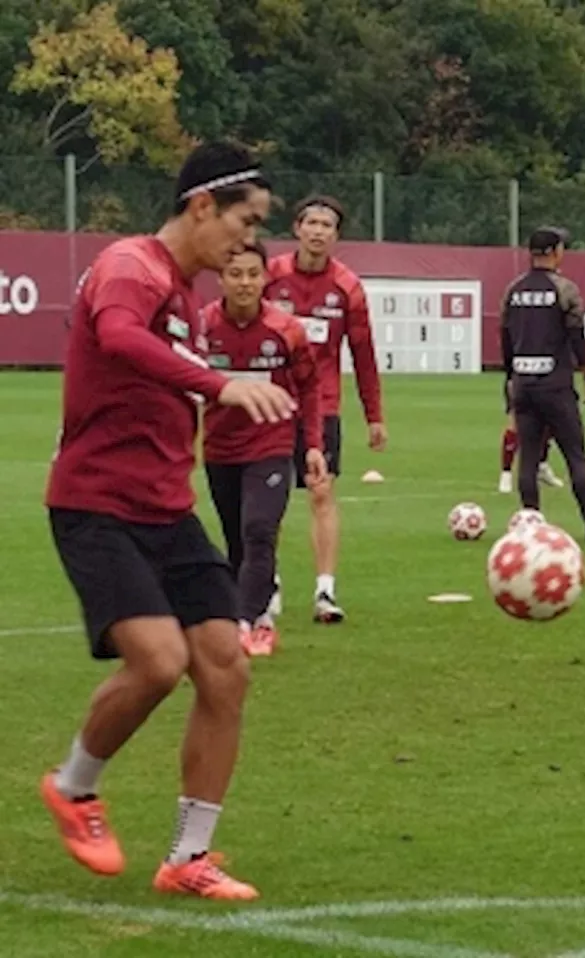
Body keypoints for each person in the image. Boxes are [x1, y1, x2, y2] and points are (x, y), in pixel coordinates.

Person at [42, 141, 293, 900]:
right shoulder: (132, 267)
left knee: (226, 664)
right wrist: (222, 385)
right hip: (96, 507)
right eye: (244, 222)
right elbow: (119, 339)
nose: (249, 242)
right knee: (157, 661)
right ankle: (73, 787)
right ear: (201, 206)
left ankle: (189, 858)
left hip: (166, 511)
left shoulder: (186, 295)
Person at [264, 195, 386, 624]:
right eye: (311, 222)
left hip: (322, 408)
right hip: (270, 404)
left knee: (321, 493)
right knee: (268, 499)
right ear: (296, 228)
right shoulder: (269, 275)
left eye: (327, 225)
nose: (318, 231)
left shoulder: (347, 287)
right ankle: (267, 584)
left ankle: (325, 592)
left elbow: (364, 353)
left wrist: (374, 415)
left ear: (336, 235)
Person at [202, 242, 327, 657]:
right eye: (235, 274)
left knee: (259, 530)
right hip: (220, 448)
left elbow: (310, 387)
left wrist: (312, 445)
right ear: (220, 277)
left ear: (265, 279)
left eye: (253, 274)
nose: (244, 283)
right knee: (236, 539)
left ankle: (243, 623)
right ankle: (258, 614)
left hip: (271, 444)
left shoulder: (286, 329)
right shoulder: (202, 326)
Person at [501, 226, 585, 533]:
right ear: (556, 252)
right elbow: (576, 334)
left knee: (528, 457)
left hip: (522, 384)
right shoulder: (565, 289)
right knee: (575, 455)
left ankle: (531, 524)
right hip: (555, 386)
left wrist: (510, 377)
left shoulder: (513, 290)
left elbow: (505, 337)